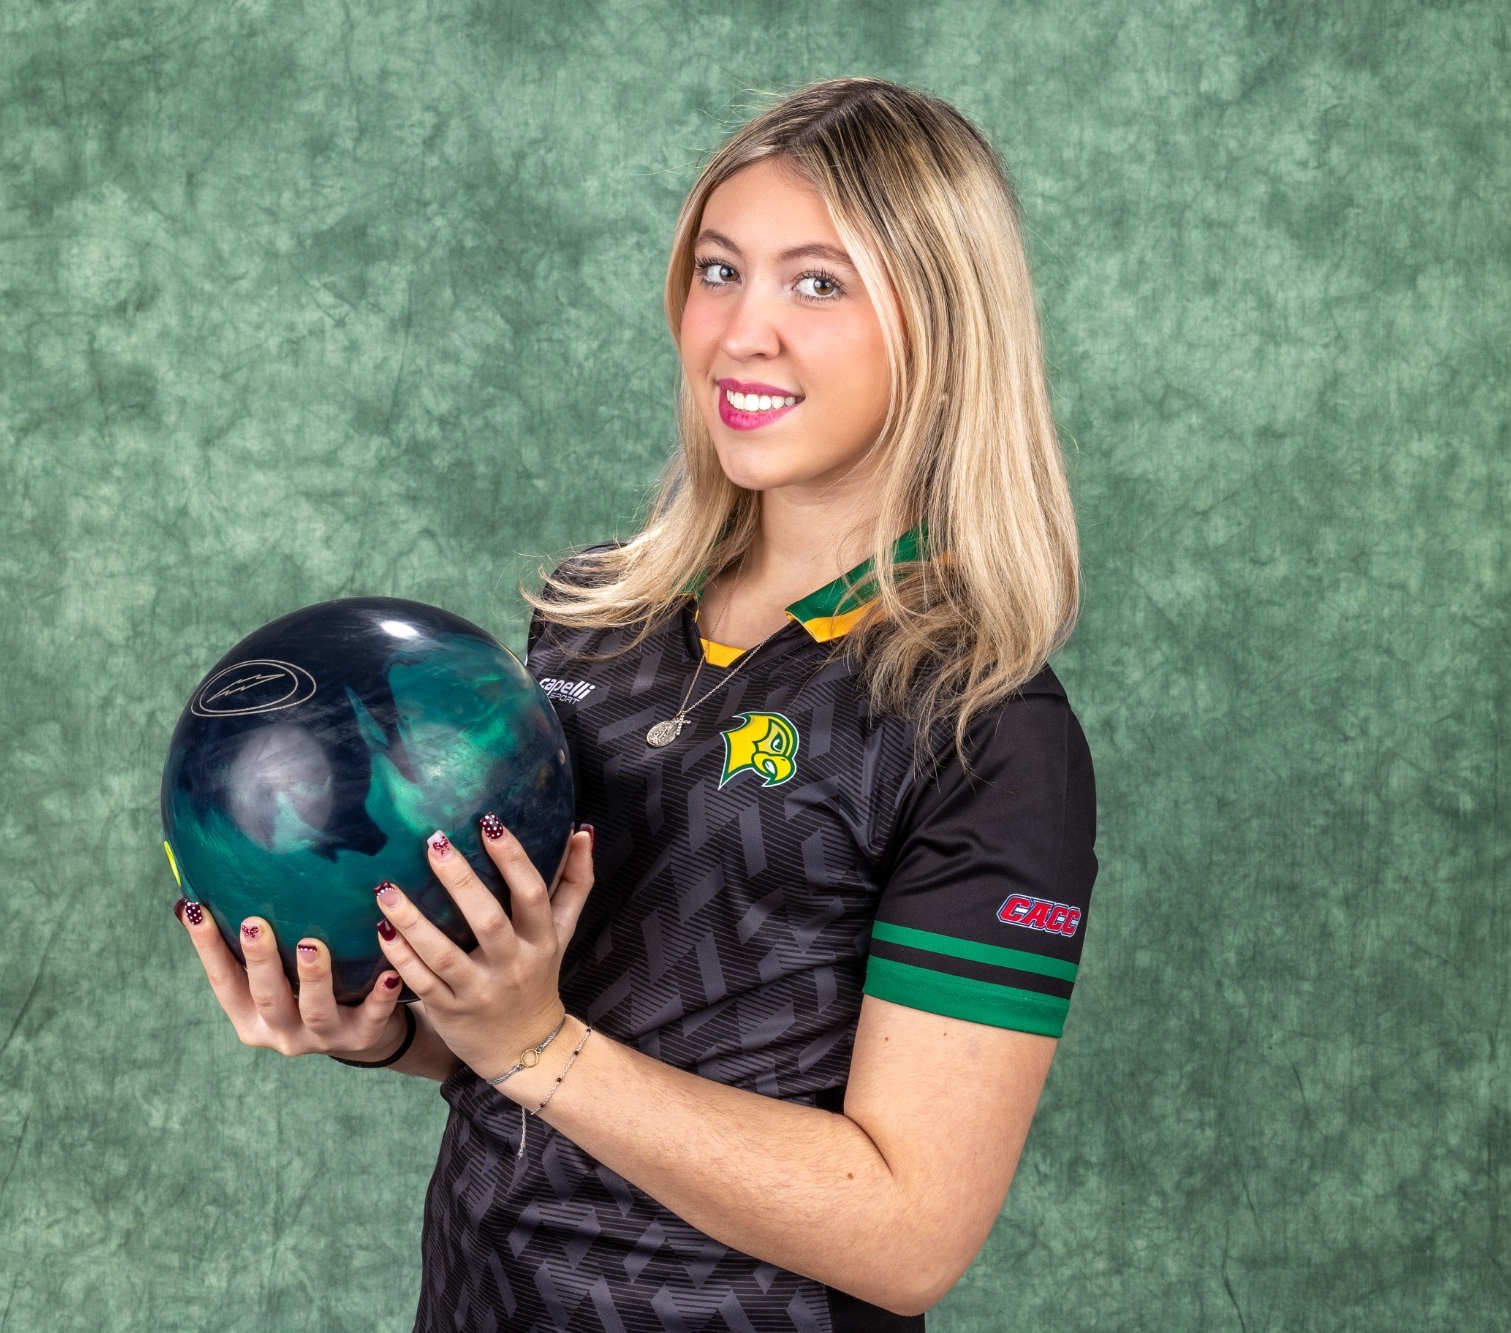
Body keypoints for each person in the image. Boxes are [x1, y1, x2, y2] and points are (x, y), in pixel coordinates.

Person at [175, 76, 1097, 1332]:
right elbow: (524, 1034)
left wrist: (533, 1046)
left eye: (815, 284)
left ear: (939, 326)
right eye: (719, 271)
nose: (741, 332)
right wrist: (381, 1024)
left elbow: (907, 1235)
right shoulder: (589, 622)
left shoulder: (983, 727)